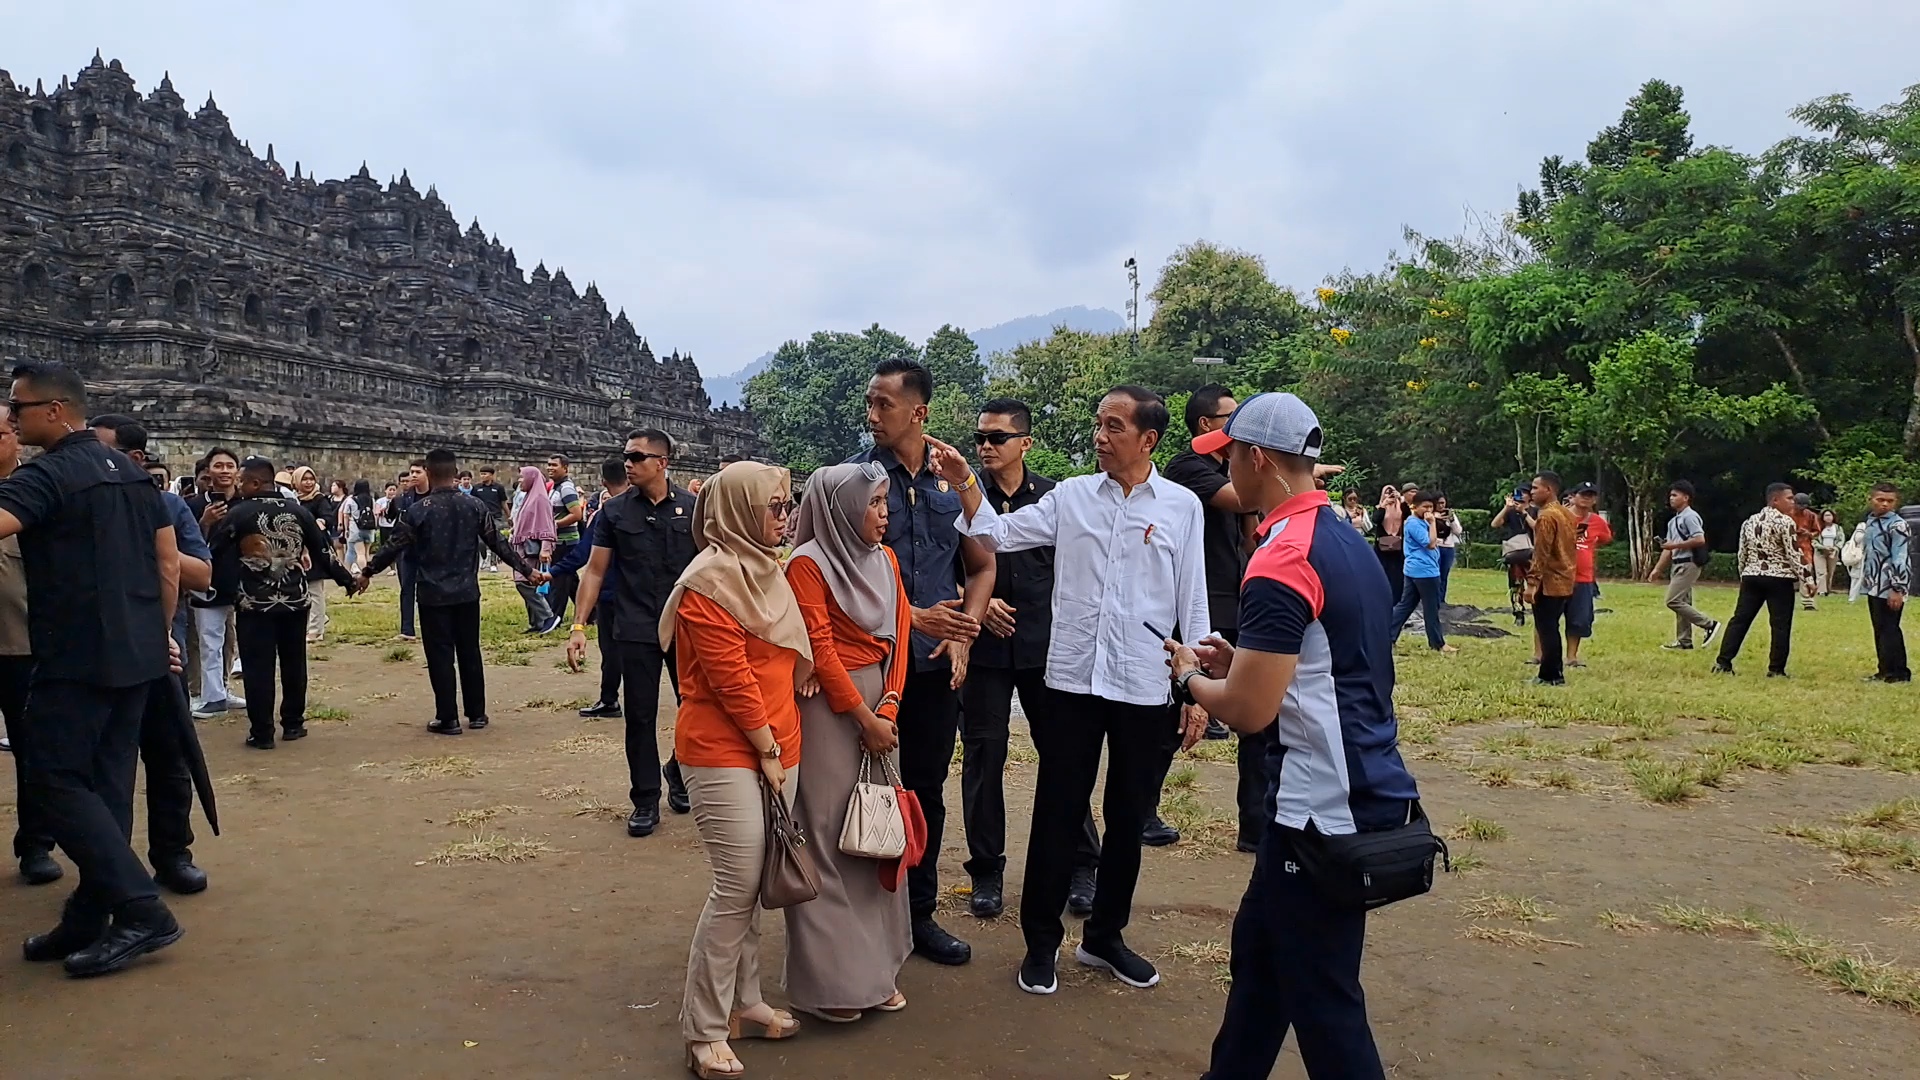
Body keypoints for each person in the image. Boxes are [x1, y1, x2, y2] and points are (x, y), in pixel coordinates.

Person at [1162, 391, 1419, 1080]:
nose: (1224, 475)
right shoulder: (1340, 538)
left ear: (1256, 458)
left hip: (1320, 811)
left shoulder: (1279, 557)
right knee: (1262, 965)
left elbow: (1247, 711)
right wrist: (1239, 661)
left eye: (1228, 458)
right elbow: (1328, 659)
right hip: (1346, 791)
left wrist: (1190, 677)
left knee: (1325, 1002)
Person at [934, 384, 1211, 997]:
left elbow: (1193, 598)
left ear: (1149, 439)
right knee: (1059, 811)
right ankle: (1040, 943)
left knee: (1127, 816)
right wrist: (963, 482)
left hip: (1143, 680)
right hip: (1072, 682)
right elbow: (999, 534)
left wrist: (1194, 687)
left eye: (1114, 426)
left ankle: (1105, 937)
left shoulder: (1181, 507)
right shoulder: (1073, 498)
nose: (1100, 436)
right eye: (1097, 424)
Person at [1, 361, 186, 977]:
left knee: (52, 780)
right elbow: (166, 564)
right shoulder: (133, 477)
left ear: (54, 411)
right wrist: (160, 637)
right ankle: (91, 911)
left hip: (76, 654)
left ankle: (140, 909)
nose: (12, 417)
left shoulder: (49, 473)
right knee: (106, 787)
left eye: (18, 408)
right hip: (135, 653)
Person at [844, 356, 995, 967]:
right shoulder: (852, 480)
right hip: (870, 667)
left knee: (924, 791)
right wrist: (913, 616)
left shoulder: (949, 481)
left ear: (919, 411)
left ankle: (919, 913)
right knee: (860, 792)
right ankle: (861, 921)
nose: (873, 414)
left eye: (884, 403)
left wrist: (964, 632)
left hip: (933, 669)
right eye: (871, 403)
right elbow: (831, 584)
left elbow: (983, 564)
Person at [662, 462, 810, 1080]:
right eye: (773, 508)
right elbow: (731, 681)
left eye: (787, 505)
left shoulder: (768, 572)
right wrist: (768, 753)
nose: (784, 517)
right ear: (739, 512)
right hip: (725, 749)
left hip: (782, 745)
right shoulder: (709, 581)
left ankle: (746, 1002)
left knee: (756, 889)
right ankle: (705, 1029)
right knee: (736, 887)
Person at [957, 399, 1101, 918]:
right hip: (987, 651)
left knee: (1064, 757)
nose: (986, 447)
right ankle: (987, 871)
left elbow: (1079, 568)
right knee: (984, 758)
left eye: (997, 438)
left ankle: (1083, 865)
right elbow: (951, 567)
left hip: (1047, 648)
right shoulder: (965, 499)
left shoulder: (1059, 499)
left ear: (1025, 443)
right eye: (980, 438)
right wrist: (978, 598)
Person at [781, 462, 913, 1022]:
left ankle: (876, 971)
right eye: (874, 503)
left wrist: (890, 704)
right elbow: (820, 647)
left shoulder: (884, 559)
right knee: (831, 834)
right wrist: (864, 717)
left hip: (879, 704)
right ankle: (835, 983)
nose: (884, 515)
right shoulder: (807, 565)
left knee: (877, 833)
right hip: (830, 712)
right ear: (839, 508)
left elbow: (899, 633)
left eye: (886, 503)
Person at [87, 414, 216, 895]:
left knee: (168, 758)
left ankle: (172, 852)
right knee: (107, 768)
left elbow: (201, 575)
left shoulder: (166, 507)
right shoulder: (81, 504)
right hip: (99, 657)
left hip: (165, 654)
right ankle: (111, 867)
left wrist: (148, 541)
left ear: (134, 458)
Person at [566, 431, 699, 836]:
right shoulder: (615, 512)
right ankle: (645, 799)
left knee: (696, 712)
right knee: (639, 716)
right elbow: (595, 570)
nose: (628, 462)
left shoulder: (693, 510)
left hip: (686, 627)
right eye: (626, 455)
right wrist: (578, 626)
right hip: (636, 626)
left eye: (638, 456)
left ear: (663, 462)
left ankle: (679, 771)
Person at [357, 450, 544, 734]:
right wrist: (527, 570)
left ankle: (448, 717)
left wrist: (367, 571)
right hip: (467, 591)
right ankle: (477, 713)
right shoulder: (475, 506)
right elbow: (498, 544)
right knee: (470, 651)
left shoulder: (419, 510)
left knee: (440, 655)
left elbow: (393, 545)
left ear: (429, 474)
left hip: (432, 593)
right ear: (456, 473)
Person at [209, 457, 358, 748]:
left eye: (241, 481)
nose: (238, 486)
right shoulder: (298, 511)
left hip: (255, 603)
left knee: (257, 667)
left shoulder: (239, 513)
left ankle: (262, 732)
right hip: (295, 600)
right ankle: (293, 724)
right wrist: (348, 581)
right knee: (294, 663)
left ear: (255, 482)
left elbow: (214, 550)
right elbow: (323, 551)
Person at [1161, 387, 1259, 816]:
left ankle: (1254, 822)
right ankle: (1143, 808)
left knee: (1253, 713)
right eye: (1231, 417)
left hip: (1232, 596)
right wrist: (1286, 474)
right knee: (1174, 707)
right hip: (1199, 599)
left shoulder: (1227, 467)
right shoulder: (1188, 466)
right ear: (1206, 424)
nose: (1238, 426)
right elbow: (1242, 498)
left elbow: (1250, 534)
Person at [561, 457, 632, 721]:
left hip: (612, 592)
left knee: (612, 651)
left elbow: (586, 558)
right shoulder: (646, 509)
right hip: (641, 594)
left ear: (603, 482)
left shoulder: (608, 513)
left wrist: (552, 573)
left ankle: (610, 698)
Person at [1713, 483, 1809, 678]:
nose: (1793, 502)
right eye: (1789, 498)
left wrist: (1744, 574)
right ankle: (1776, 669)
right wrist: (1807, 578)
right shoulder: (1785, 522)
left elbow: (1743, 553)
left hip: (1752, 576)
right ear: (1775, 500)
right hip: (1779, 578)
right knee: (1780, 624)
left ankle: (1723, 662)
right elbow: (1792, 553)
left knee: (1739, 620)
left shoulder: (1749, 522)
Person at [187, 446, 245, 717]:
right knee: (209, 639)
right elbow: (185, 543)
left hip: (243, 581)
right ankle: (211, 696)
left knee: (230, 640)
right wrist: (205, 522)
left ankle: (221, 688)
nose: (224, 471)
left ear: (238, 472)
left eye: (229, 466)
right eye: (218, 466)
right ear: (208, 471)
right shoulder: (194, 505)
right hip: (208, 580)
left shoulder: (246, 504)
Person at [1649, 480, 1720, 650]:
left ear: (1686, 497)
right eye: (1670, 495)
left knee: (1673, 600)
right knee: (1682, 601)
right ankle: (1684, 641)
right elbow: (1668, 549)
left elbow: (1699, 539)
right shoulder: (1674, 521)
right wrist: (1657, 569)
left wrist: (1673, 546)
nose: (1671, 498)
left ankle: (1709, 624)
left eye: (1675, 495)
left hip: (1688, 563)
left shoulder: (1690, 517)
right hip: (1678, 563)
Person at [1387, 490, 1456, 653]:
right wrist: (1432, 523)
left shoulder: (1418, 521)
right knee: (1431, 607)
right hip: (1424, 572)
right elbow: (1430, 543)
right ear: (1414, 506)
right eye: (1424, 507)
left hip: (1415, 570)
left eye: (1431, 507)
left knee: (1406, 605)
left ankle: (1388, 636)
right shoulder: (1413, 523)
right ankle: (1438, 643)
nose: (1428, 510)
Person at [1525, 472, 1577, 686]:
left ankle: (1551, 675)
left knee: (1546, 628)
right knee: (1552, 626)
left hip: (1549, 581)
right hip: (1566, 577)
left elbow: (1541, 552)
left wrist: (1532, 583)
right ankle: (1554, 671)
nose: (1532, 492)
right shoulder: (1566, 513)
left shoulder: (1546, 516)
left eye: (1536, 488)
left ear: (1549, 490)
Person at [1858, 482, 1910, 683]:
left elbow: (1901, 556)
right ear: (1871, 500)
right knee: (1880, 628)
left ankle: (1898, 672)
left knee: (1890, 628)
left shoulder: (1897, 526)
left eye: (1890, 501)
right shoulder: (1871, 522)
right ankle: (1884, 669)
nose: (1884, 504)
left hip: (1891, 585)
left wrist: (1897, 588)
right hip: (1874, 584)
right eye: (1880, 500)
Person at [1565, 482, 1614, 668]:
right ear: (1573, 496)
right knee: (1549, 617)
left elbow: (1605, 538)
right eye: (1583, 494)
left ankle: (1571, 656)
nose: (1587, 498)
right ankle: (1541, 654)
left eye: (1591, 495)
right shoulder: (1561, 516)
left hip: (1584, 578)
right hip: (1559, 576)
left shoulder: (1597, 521)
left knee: (1580, 619)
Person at [509, 466, 561, 634]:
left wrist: (546, 549)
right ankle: (537, 622)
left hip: (532, 548)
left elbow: (546, 526)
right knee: (528, 581)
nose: (519, 481)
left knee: (524, 582)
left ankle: (548, 617)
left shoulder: (540, 499)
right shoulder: (529, 498)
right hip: (524, 547)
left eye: (522, 477)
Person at [291, 466, 337, 643]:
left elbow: (327, 517)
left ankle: (316, 630)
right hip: (297, 549)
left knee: (315, 589)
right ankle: (318, 619)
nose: (308, 482)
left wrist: (319, 523)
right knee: (302, 590)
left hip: (315, 549)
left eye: (311, 478)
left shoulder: (319, 499)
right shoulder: (293, 500)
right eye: (304, 479)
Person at [545, 453, 586, 623]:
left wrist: (554, 525)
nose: (550, 468)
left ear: (565, 468)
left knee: (560, 580)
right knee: (571, 580)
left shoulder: (566, 488)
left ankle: (555, 616)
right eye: (549, 464)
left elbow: (576, 514)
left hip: (565, 540)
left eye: (554, 465)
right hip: (561, 540)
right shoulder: (555, 487)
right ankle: (591, 612)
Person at [393, 460, 427, 640]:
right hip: (408, 551)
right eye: (411, 472)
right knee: (406, 588)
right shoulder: (406, 497)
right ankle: (407, 629)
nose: (413, 475)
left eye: (417, 472)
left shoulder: (435, 496)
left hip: (431, 552)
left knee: (429, 590)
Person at [1492, 486, 1535, 627]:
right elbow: (1495, 524)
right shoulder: (1510, 511)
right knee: (1516, 585)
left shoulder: (1535, 510)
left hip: (1533, 553)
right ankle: (1518, 613)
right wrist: (1507, 508)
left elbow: (1537, 527)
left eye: (1523, 494)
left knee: (1536, 583)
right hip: (1515, 553)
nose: (1521, 497)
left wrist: (1524, 513)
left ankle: (1539, 611)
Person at [1370, 484, 1406, 602]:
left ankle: (1396, 601)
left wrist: (1400, 499)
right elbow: (1375, 520)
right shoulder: (1380, 507)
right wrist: (1383, 506)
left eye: (1392, 492)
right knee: (1382, 574)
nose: (1389, 495)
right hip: (1382, 548)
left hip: (1398, 547)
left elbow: (1408, 515)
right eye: (1387, 492)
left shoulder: (1401, 507)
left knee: (1397, 576)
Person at [470, 466, 509, 571]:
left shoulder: (498, 488)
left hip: (496, 517)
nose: (483, 476)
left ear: (491, 475)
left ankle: (493, 563)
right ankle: (483, 559)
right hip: (481, 517)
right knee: (481, 542)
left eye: (485, 474)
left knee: (494, 540)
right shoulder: (476, 488)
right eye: (481, 474)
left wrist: (509, 516)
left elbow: (503, 503)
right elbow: (472, 503)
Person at [1432, 494, 1464, 603]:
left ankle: (1441, 599)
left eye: (1443, 503)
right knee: (1434, 574)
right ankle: (1432, 598)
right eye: (1439, 503)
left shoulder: (1450, 515)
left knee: (1444, 575)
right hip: (1435, 546)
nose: (1441, 506)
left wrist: (1451, 520)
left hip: (1448, 547)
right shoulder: (1430, 515)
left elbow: (1458, 531)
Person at [1792, 493, 1821, 611]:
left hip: (1805, 548)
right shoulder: (1786, 513)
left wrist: (1808, 534)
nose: (1802, 508)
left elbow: (1817, 531)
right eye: (1800, 505)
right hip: (1788, 546)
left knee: (1806, 573)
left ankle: (1808, 601)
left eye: (1804, 506)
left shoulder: (1811, 515)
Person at [1816, 509, 1844, 597]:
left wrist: (1835, 548)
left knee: (1830, 572)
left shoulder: (1838, 528)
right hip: (1820, 552)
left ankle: (1828, 589)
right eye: (1826, 515)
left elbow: (1841, 540)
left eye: (1830, 515)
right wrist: (1822, 547)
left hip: (1833, 552)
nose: (1828, 517)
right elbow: (1814, 540)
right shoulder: (1818, 527)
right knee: (1821, 572)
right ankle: (1821, 591)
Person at [1845, 516, 1870, 603]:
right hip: (1861, 556)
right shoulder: (1862, 525)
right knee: (1857, 578)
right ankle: (1852, 598)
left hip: (1872, 557)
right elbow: (1858, 538)